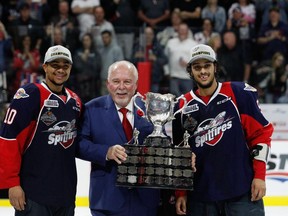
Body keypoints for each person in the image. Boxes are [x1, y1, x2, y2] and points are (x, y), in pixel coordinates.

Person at [173, 44, 274, 216]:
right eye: (197, 67)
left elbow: (260, 135)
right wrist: (180, 193)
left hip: (242, 192)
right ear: (190, 71)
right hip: (201, 197)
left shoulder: (238, 93)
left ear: (215, 67)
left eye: (207, 66)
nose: (203, 71)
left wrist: (259, 176)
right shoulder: (181, 106)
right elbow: (180, 153)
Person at [0, 45, 83, 215]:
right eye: (55, 65)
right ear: (44, 67)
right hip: (34, 194)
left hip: (65, 195)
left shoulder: (75, 101)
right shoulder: (30, 94)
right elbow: (8, 139)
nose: (60, 70)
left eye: (65, 66)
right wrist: (12, 183)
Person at [76, 60, 160, 216]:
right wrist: (106, 152)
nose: (121, 87)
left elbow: (163, 142)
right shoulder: (91, 109)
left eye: (127, 82)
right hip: (106, 200)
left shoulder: (151, 109)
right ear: (108, 84)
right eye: (116, 81)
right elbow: (79, 144)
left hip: (144, 201)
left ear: (135, 85)